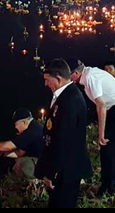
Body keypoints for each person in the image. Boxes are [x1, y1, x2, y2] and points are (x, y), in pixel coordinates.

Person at [68, 58, 115, 197]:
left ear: (75, 73)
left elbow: (101, 105)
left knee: (107, 149)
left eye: (69, 76)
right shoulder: (91, 73)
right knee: (113, 148)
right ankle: (113, 180)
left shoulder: (90, 79)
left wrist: (101, 134)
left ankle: (107, 187)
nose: (69, 79)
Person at [35, 59, 92, 209]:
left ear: (58, 78)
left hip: (65, 170)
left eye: (47, 80)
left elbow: (63, 141)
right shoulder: (66, 95)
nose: (46, 84)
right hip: (64, 169)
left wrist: (52, 173)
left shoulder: (69, 101)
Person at [0, 108, 43, 179]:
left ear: (24, 122)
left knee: (21, 162)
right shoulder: (34, 128)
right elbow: (20, 153)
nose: (15, 127)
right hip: (41, 163)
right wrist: (2, 153)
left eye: (16, 124)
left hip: (44, 165)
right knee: (19, 160)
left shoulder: (32, 131)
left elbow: (8, 146)